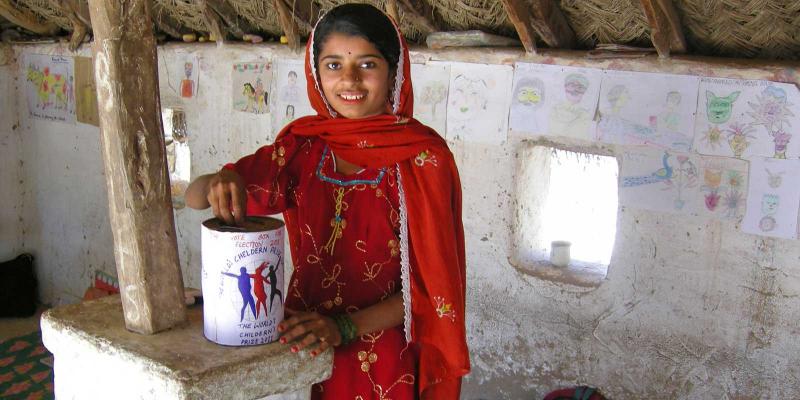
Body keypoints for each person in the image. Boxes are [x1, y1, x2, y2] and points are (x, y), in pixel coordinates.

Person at [185, 4, 469, 399]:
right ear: (316, 73)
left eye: (367, 64)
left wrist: (344, 328)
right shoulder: (303, 147)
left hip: (382, 355)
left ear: (394, 72)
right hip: (301, 342)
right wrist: (222, 179)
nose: (349, 79)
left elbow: (433, 287)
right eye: (333, 65)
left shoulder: (422, 158)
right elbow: (195, 196)